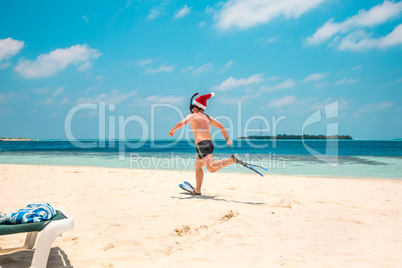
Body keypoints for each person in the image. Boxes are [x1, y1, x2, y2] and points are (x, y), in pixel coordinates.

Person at [168, 92, 238, 195]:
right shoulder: (208, 117)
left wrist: (172, 130)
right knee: (198, 166)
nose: (191, 110)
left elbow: (181, 123)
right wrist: (227, 139)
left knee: (211, 168)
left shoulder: (192, 116)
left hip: (202, 145)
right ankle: (198, 190)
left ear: (195, 107)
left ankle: (231, 160)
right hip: (209, 144)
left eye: (192, 108)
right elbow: (222, 126)